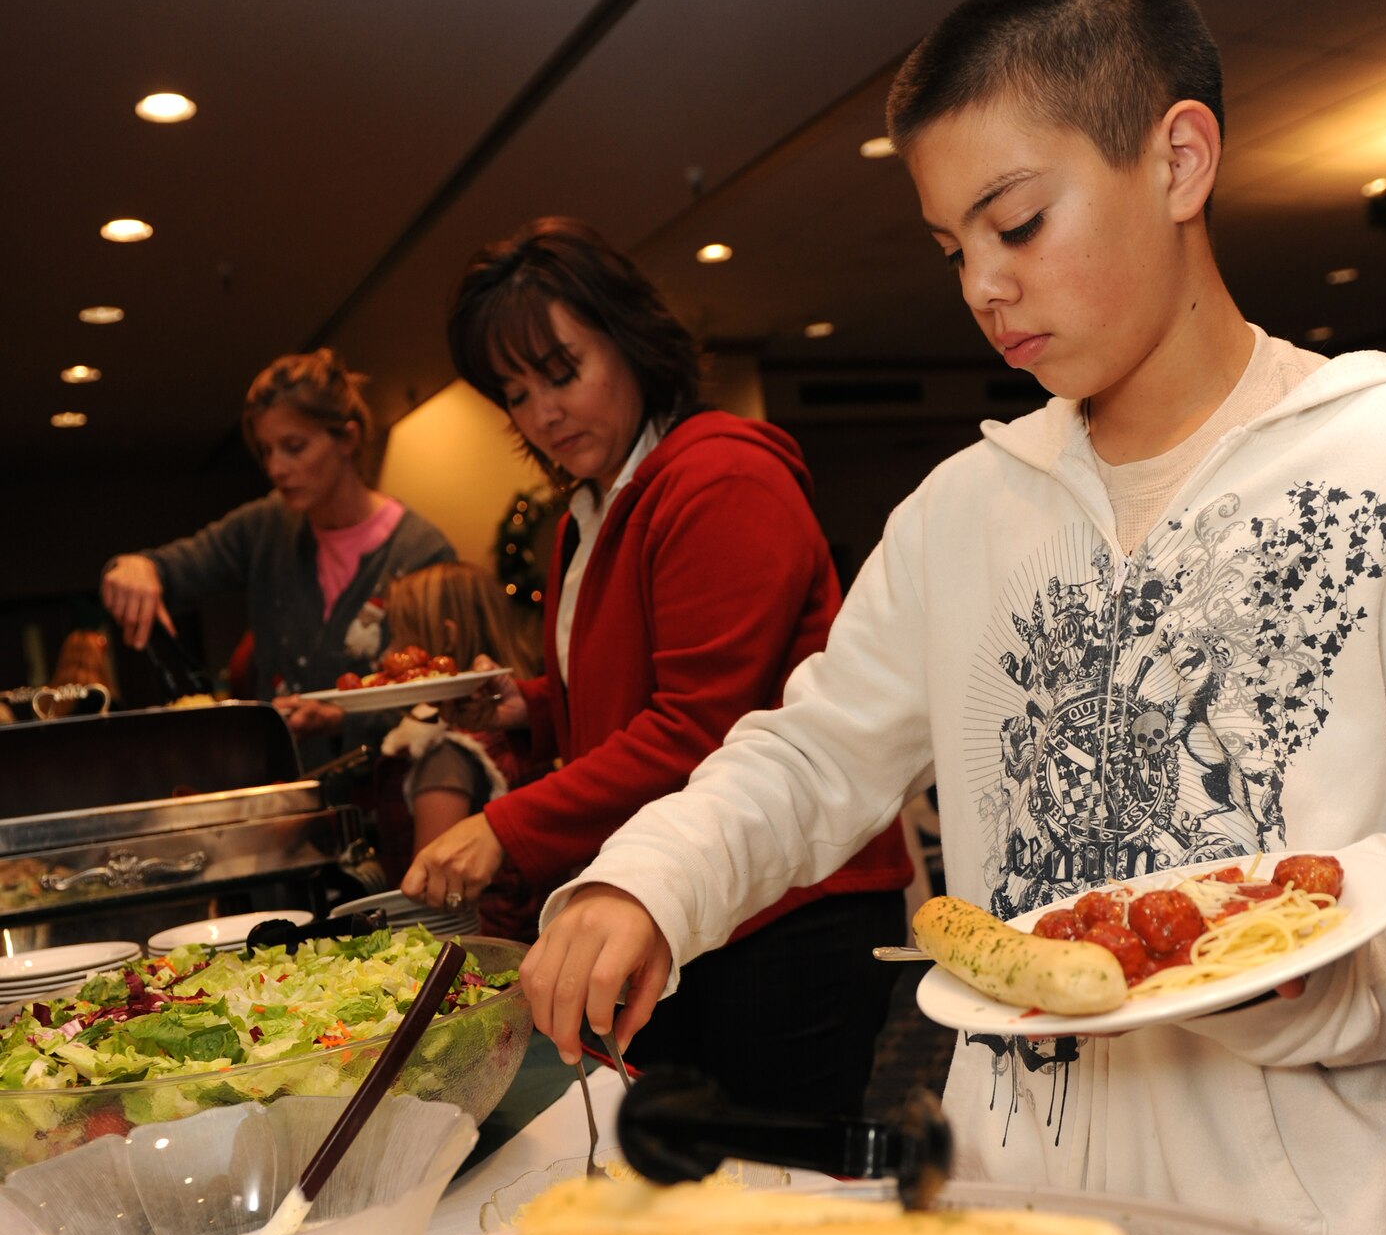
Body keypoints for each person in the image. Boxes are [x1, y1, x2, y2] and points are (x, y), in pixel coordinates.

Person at [520, 0, 1386, 1235]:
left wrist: (1318, 974)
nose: (980, 288)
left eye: (1016, 225)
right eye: (952, 249)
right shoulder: (964, 510)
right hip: (1025, 1218)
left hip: (1313, 1234)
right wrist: (648, 884)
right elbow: (814, 752)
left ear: (1178, 161)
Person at [402, 217, 910, 1113]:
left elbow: (699, 726)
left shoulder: (719, 478)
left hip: (789, 910)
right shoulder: (588, 509)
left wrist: (505, 827)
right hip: (686, 895)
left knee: (767, 1189)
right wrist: (524, 708)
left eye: (561, 372)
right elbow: (615, 698)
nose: (542, 413)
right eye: (515, 394)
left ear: (632, 342)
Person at [99, 350, 454, 760]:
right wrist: (136, 567)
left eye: (294, 447)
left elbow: (442, 703)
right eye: (266, 451)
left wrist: (341, 718)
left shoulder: (421, 551)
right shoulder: (267, 525)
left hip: (391, 796)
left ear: (348, 439)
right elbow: (176, 568)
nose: (276, 468)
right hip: (288, 787)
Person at [380, 562, 543, 941]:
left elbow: (433, 891)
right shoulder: (519, 728)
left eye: (398, 637)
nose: (387, 652)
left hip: (476, 951)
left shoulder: (444, 754)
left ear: (446, 639)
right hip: (529, 933)